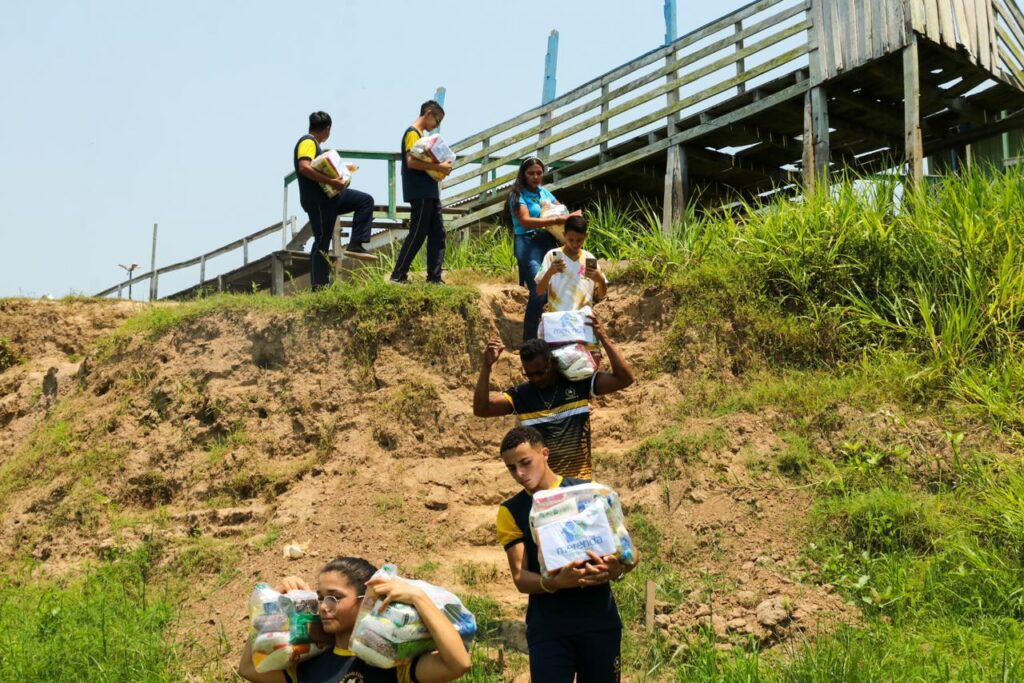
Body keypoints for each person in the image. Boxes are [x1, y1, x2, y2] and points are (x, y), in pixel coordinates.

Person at [496, 426, 637, 682]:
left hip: (599, 622)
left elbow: (630, 553)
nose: (520, 474)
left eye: (525, 463)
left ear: (545, 454)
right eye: (511, 468)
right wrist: (556, 583)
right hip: (549, 630)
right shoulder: (511, 511)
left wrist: (617, 569)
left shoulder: (588, 492)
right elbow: (520, 577)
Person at [238, 556, 472, 683]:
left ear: (366, 600)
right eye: (321, 597)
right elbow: (249, 669)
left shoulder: (392, 662)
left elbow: (458, 664)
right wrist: (274, 607)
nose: (324, 607)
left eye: (335, 597)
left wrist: (418, 598)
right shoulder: (309, 664)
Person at [472, 312, 634, 479]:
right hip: (542, 486)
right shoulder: (521, 395)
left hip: (578, 483)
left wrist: (603, 338)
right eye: (529, 374)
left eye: (540, 373)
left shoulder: (577, 384)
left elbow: (625, 379)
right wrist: (487, 365)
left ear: (552, 362)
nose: (535, 379)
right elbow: (481, 409)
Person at [294, 111, 377, 291]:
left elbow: (315, 167)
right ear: (327, 129)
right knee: (322, 241)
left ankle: (355, 244)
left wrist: (342, 168)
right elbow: (304, 167)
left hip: (330, 198)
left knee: (364, 201)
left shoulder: (315, 145)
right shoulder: (308, 142)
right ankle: (319, 286)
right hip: (319, 201)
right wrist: (332, 182)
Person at [508, 157, 581, 341]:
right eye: (531, 173)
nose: (535, 177)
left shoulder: (545, 193)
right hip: (527, 243)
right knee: (538, 290)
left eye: (539, 173)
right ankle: (530, 341)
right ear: (523, 174)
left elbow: (561, 210)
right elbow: (525, 221)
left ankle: (553, 334)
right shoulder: (517, 195)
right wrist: (554, 220)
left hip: (547, 243)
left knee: (554, 288)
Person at [390, 100, 453, 285]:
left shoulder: (422, 136)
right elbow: (411, 162)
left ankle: (434, 278)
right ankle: (398, 275)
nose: (436, 125)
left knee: (438, 233)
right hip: (420, 191)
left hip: (429, 191)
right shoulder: (412, 133)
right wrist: (438, 166)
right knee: (418, 233)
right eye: (437, 120)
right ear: (428, 114)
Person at [535, 214, 607, 362]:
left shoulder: (589, 258)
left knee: (592, 361)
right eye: (571, 239)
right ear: (564, 235)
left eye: (579, 240)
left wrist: (599, 279)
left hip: (583, 322)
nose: (575, 244)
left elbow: (601, 295)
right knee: (557, 363)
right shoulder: (552, 256)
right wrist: (550, 272)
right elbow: (539, 291)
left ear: (586, 236)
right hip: (558, 323)